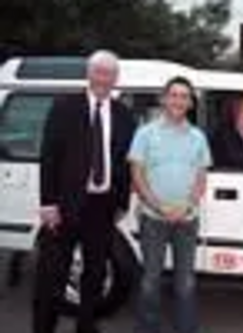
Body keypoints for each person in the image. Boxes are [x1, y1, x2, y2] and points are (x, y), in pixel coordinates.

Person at [34, 50, 137, 333]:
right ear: (89, 74)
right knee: (53, 275)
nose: (104, 78)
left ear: (116, 78)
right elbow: (49, 156)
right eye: (99, 72)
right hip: (65, 205)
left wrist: (122, 202)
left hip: (102, 207)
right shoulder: (64, 107)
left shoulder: (124, 114)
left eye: (110, 73)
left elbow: (127, 161)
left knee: (94, 274)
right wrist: (48, 203)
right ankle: (43, 327)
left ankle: (86, 326)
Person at [129, 76, 211, 333]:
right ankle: (147, 328)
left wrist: (187, 205)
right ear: (164, 99)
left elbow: (201, 177)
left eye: (184, 96)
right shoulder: (145, 133)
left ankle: (185, 328)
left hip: (187, 219)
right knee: (150, 280)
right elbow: (137, 174)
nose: (178, 100)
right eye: (174, 95)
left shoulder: (198, 137)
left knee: (185, 282)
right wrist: (158, 206)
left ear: (190, 103)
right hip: (153, 218)